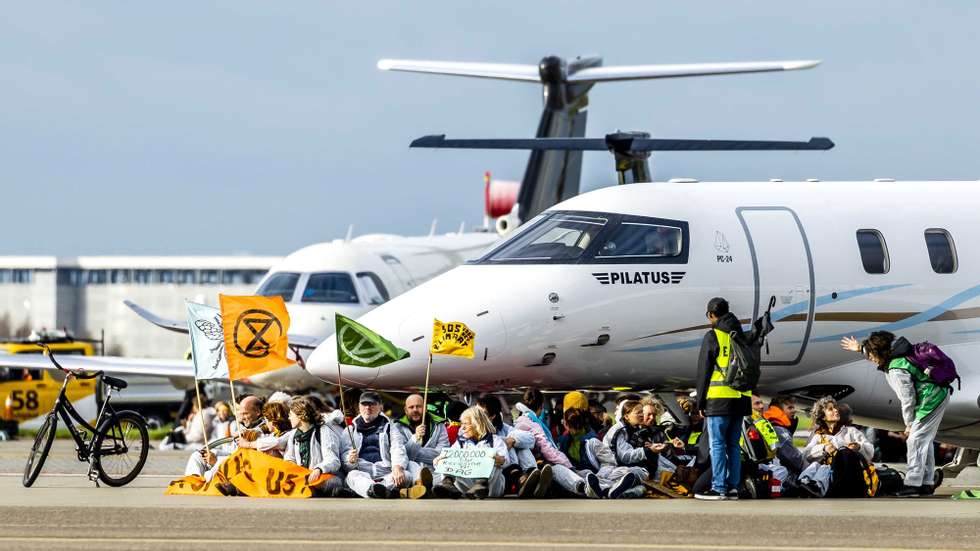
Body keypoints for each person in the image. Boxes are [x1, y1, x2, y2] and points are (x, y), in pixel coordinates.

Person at [842, 331, 951, 496]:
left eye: (871, 354)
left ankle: (913, 484)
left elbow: (908, 400)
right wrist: (859, 348)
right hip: (936, 393)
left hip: (930, 399)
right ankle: (926, 482)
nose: (870, 358)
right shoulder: (897, 353)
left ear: (880, 353)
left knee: (915, 441)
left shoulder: (896, 369)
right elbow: (876, 353)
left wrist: (909, 424)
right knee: (924, 441)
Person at [694, 297, 752, 500]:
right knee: (734, 445)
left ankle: (718, 488)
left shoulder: (713, 335)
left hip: (718, 400)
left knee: (717, 445)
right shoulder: (741, 335)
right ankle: (733, 487)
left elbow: (704, 372)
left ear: (711, 315)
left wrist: (700, 402)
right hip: (741, 398)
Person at [556, 404, 643, 498]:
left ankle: (600, 489)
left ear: (565, 424)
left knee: (636, 471)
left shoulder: (592, 442)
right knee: (637, 473)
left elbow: (609, 463)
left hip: (599, 476)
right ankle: (608, 490)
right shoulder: (563, 442)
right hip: (581, 477)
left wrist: (598, 477)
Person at [343, 391, 415, 499]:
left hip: (386, 472)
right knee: (351, 476)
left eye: (372, 404)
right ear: (359, 406)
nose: (368, 408)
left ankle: (375, 490)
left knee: (407, 475)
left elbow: (398, 448)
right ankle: (375, 489)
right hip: (362, 472)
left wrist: (397, 467)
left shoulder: (391, 427)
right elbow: (344, 457)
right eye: (364, 404)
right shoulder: (350, 430)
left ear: (380, 407)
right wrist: (350, 460)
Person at [802, 397, 874, 498]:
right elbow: (806, 455)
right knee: (820, 466)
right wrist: (823, 448)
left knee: (843, 452)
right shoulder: (818, 437)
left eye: (835, 408)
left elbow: (870, 451)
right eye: (830, 409)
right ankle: (808, 484)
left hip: (854, 479)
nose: (836, 410)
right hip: (832, 480)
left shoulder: (851, 431)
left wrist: (859, 447)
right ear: (823, 417)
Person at [432, 406, 508, 499]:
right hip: (467, 488)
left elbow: (506, 462)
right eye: (462, 424)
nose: (462, 427)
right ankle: (448, 484)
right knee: (448, 457)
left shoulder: (495, 440)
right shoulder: (460, 442)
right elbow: (444, 459)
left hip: (491, 488)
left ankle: (481, 484)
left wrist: (498, 459)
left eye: (466, 424)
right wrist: (439, 460)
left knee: (490, 456)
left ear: (477, 424)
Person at [183, 395, 265, 481]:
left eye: (245, 413)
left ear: (257, 412)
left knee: (209, 473)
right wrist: (211, 453)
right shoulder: (244, 427)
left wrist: (216, 460)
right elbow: (230, 451)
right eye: (240, 413)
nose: (241, 417)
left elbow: (247, 458)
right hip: (228, 460)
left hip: (242, 467)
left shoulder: (263, 430)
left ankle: (200, 483)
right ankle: (192, 483)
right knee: (197, 456)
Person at [476, 395, 537, 495]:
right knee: (504, 442)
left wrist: (513, 440)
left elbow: (531, 438)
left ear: (492, 416)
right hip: (492, 477)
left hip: (508, 471)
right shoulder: (469, 428)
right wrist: (503, 444)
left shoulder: (503, 428)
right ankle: (526, 480)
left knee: (520, 444)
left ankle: (531, 475)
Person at [283, 396, 344, 496]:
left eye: (291, 414)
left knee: (325, 483)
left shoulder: (323, 431)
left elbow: (333, 460)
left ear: (300, 415)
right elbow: (289, 458)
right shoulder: (293, 434)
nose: (288, 418)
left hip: (325, 476)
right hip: (304, 477)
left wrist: (319, 469)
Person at [514, 388, 570, 497]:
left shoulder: (519, 421)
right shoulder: (533, 423)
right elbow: (546, 449)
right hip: (534, 463)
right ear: (541, 406)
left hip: (523, 465)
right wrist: (567, 464)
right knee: (555, 469)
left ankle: (533, 485)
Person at [392, 394, 446, 499]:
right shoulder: (397, 426)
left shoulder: (439, 425)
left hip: (434, 470)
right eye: (411, 407)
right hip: (411, 471)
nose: (415, 410)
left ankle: (415, 490)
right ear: (405, 410)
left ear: (425, 408)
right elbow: (401, 454)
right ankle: (421, 487)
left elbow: (442, 454)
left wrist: (414, 452)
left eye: (419, 406)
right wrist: (415, 439)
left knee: (446, 476)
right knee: (410, 465)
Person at [603, 400, 672, 482]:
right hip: (612, 469)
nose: (641, 415)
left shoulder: (634, 429)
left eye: (642, 412)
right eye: (638, 413)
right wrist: (648, 450)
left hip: (624, 468)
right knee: (637, 473)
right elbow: (625, 456)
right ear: (626, 416)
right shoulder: (620, 430)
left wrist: (648, 446)